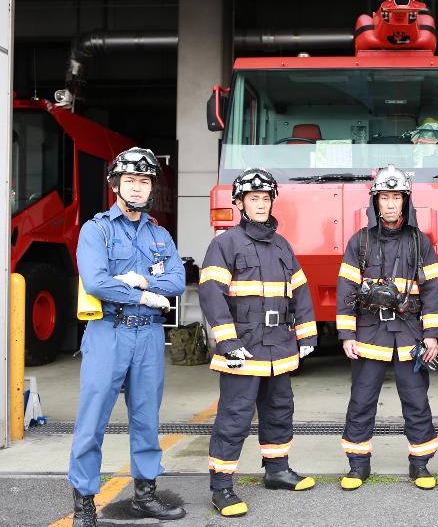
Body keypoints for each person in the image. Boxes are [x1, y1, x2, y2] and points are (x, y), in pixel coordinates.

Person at [69, 147, 186, 527]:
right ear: (116, 185)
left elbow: (178, 281)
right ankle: (85, 503)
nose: (137, 188)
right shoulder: (97, 229)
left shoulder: (160, 234)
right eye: (131, 180)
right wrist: (143, 295)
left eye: (145, 181)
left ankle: (145, 496)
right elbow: (97, 282)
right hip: (108, 332)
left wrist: (142, 280)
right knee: (92, 422)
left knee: (146, 419)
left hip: (149, 335)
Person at [199, 168, 317, 518]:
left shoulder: (282, 245)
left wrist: (307, 334)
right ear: (239, 204)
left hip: (279, 346)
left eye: (266, 198)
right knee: (234, 418)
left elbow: (300, 291)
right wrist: (227, 341)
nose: (262, 204)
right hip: (244, 346)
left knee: (280, 410)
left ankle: (277, 470)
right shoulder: (224, 244)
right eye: (254, 199)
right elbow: (211, 295)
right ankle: (221, 487)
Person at [335, 165, 438, 490]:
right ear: (376, 202)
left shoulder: (419, 242)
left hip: (410, 334)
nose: (391, 204)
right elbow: (345, 290)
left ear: (405, 201)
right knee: (361, 400)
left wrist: (431, 335)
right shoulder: (361, 242)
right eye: (385, 197)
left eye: (397, 197)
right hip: (369, 335)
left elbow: (434, 289)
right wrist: (347, 335)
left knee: (416, 401)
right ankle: (357, 466)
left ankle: (420, 465)